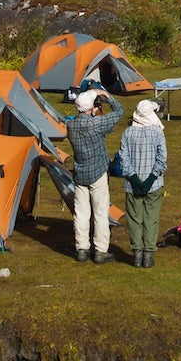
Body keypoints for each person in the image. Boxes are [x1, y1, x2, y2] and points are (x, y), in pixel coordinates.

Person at [65, 88, 123, 263]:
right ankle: (100, 250)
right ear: (92, 107)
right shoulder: (96, 123)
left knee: (81, 213)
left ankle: (82, 249)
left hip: (80, 173)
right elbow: (119, 111)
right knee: (100, 212)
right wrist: (107, 96)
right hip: (97, 172)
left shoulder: (71, 125)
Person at [117, 98, 167, 268]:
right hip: (153, 184)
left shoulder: (127, 133)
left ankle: (137, 254)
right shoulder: (157, 132)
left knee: (134, 219)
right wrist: (150, 179)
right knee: (151, 219)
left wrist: (134, 179)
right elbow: (162, 160)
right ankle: (148, 255)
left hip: (132, 185)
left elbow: (124, 159)